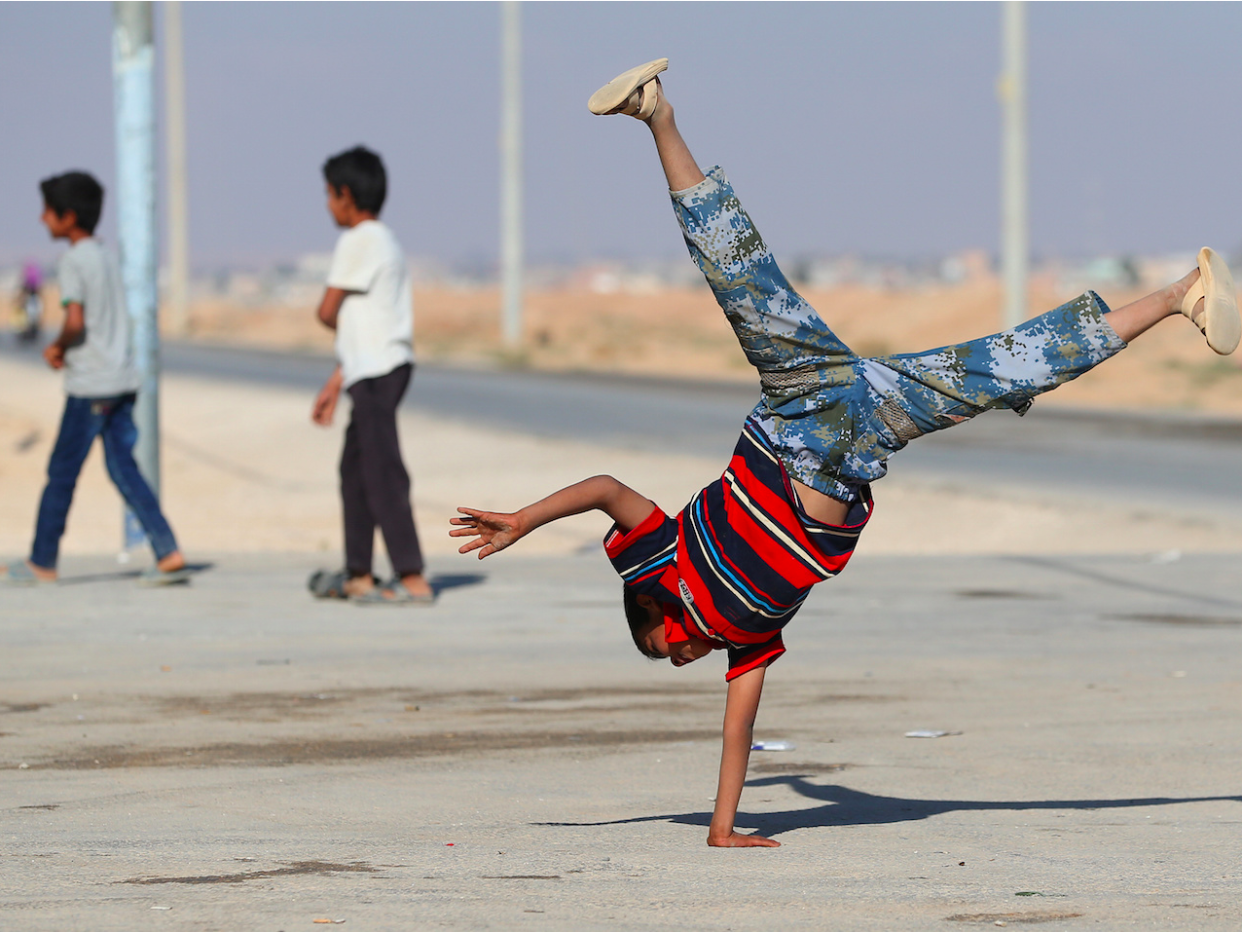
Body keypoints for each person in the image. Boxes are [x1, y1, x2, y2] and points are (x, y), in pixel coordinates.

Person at [449, 61, 1241, 848]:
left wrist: (524, 519)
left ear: (659, 609)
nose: (682, 658)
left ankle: (656, 113)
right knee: (1009, 366)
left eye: (670, 649)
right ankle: (1181, 296)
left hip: (796, 402)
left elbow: (606, 488)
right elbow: (737, 738)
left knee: (737, 270)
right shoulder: (748, 642)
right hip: (866, 432)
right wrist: (722, 829)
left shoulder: (661, 555)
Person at [0, 171, 188, 587]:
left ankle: (41, 561)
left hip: (91, 387)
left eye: (47, 211)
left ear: (68, 217)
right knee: (124, 468)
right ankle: (167, 549)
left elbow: (75, 319)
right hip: (121, 381)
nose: (41, 219)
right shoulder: (105, 255)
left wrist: (58, 347)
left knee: (61, 473)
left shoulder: (72, 261)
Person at [306, 146, 434, 606]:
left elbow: (327, 311)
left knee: (382, 471)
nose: (326, 204)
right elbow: (365, 330)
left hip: (378, 373)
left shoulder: (359, 239)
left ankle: (412, 577)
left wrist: (327, 319)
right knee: (356, 469)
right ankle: (358, 572)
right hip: (371, 370)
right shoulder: (384, 240)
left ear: (345, 195)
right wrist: (336, 383)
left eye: (328, 194)